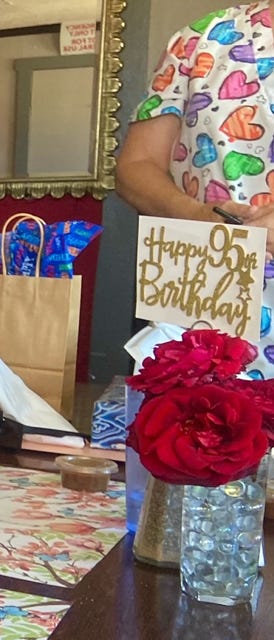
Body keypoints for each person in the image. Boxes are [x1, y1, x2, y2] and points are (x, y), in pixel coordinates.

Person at [115, 1, 274, 376]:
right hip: (208, 302)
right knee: (204, 411)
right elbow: (135, 167)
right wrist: (199, 216)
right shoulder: (200, 40)